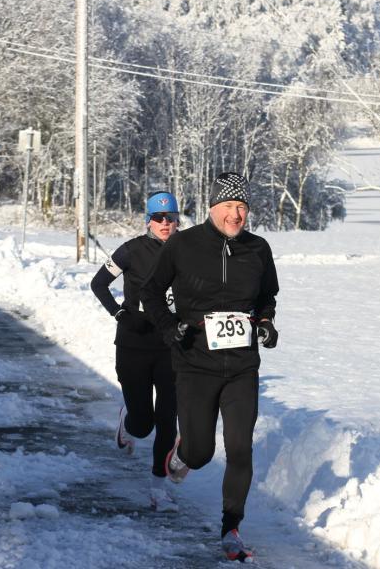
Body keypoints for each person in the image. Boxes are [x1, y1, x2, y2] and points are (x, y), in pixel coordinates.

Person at [139, 172, 279, 562]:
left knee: (239, 448)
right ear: (212, 208)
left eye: (242, 207)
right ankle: (183, 454)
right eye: (228, 206)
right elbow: (150, 292)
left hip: (242, 366)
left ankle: (231, 528)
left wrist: (266, 324)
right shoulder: (183, 245)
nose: (235, 215)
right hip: (194, 362)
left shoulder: (258, 249)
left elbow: (267, 297)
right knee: (201, 453)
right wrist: (171, 329)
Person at [90, 191, 181, 512]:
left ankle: (158, 487)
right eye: (159, 218)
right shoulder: (130, 250)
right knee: (144, 424)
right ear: (148, 221)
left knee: (168, 418)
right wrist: (118, 313)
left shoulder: (187, 251)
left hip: (171, 346)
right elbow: (98, 283)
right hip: (133, 344)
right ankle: (128, 421)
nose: (166, 224)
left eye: (171, 217)